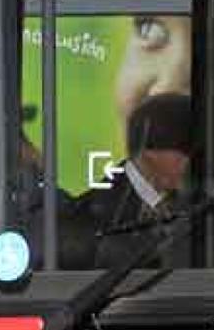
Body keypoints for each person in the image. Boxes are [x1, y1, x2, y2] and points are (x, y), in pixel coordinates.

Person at [74, 93, 194, 268]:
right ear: (149, 152)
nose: (193, 161)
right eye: (186, 151)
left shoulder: (194, 205)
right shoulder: (94, 214)